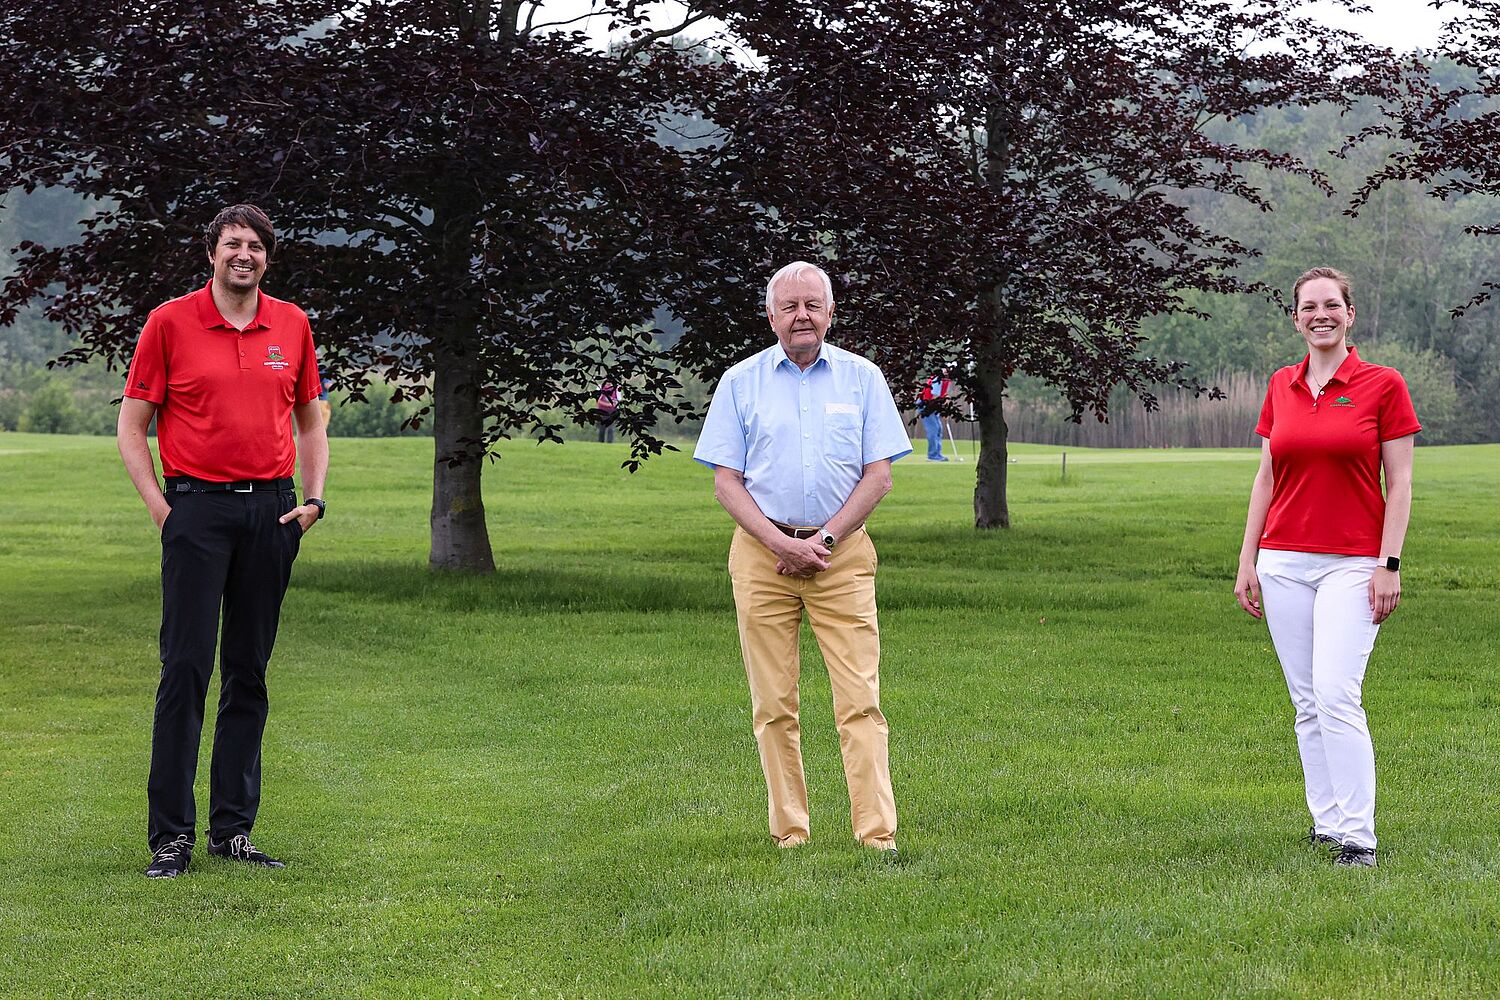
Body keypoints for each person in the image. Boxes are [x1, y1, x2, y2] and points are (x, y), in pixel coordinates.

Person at [117, 204, 328, 879]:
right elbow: (132, 425)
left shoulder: (291, 324)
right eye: (233, 243)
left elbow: (311, 421)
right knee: (185, 669)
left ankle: (232, 830)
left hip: (271, 513)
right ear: (211, 252)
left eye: (256, 246)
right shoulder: (169, 323)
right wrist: (163, 511)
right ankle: (171, 836)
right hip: (196, 511)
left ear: (267, 258)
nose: (245, 254)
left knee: (249, 671)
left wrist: (313, 500)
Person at [694, 261, 911, 856]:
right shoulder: (739, 383)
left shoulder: (863, 379)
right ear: (771, 316)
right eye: (789, 307)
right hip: (762, 560)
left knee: (860, 701)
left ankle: (876, 835)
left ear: (831, 312)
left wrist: (824, 542)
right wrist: (780, 543)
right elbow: (726, 483)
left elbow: (879, 477)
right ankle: (790, 832)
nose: (802, 316)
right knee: (773, 705)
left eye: (812, 305)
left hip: (842, 557)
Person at [1233, 266, 1419, 869]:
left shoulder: (1383, 384)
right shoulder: (1279, 384)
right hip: (1282, 562)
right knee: (1307, 701)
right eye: (1309, 307)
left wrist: (1389, 563)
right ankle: (1328, 823)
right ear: (1296, 319)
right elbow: (1266, 478)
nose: (1321, 315)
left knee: (1337, 694)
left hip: (1354, 564)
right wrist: (1247, 559)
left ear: (1349, 314)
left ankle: (1359, 838)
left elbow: (1401, 482)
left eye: (1332, 305)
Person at [918, 372, 952, 461]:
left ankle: (937, 454)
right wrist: (942, 410)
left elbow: (943, 394)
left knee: (938, 429)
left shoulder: (946, 380)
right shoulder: (938, 379)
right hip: (926, 405)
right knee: (933, 429)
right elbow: (934, 397)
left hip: (932, 406)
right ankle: (932, 456)